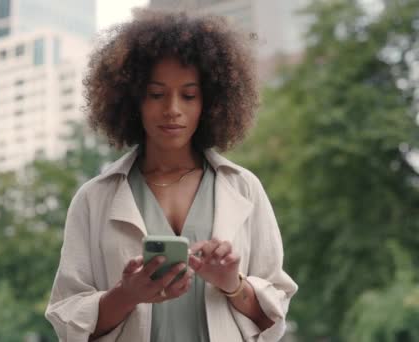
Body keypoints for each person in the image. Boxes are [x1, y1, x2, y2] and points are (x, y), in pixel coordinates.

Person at [45, 9, 298, 342]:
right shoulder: (94, 198)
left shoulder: (244, 188)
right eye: (156, 94)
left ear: (209, 103)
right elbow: (68, 321)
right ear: (132, 100)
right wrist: (127, 294)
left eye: (189, 95)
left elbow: (274, 315)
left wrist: (232, 283)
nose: (172, 109)